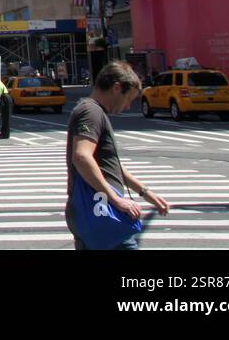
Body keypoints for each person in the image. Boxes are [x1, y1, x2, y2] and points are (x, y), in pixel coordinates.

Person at [65, 61, 169, 250]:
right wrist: (116, 199)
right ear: (116, 88)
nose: (128, 106)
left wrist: (145, 192)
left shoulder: (92, 111)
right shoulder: (91, 112)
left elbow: (108, 165)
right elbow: (81, 157)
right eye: (129, 99)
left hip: (94, 209)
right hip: (102, 210)